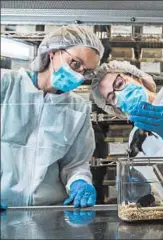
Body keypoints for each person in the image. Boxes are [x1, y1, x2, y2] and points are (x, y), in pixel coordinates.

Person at [0, 25, 104, 210]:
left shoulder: (78, 109)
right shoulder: (6, 86)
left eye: (86, 71)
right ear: (53, 53)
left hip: (47, 211)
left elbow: (76, 164)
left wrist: (80, 181)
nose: (79, 75)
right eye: (75, 63)